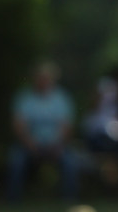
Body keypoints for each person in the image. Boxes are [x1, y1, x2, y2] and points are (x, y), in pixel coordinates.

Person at [6, 60, 78, 202]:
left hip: (56, 146)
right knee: (16, 160)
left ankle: (69, 201)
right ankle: (13, 201)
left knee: (71, 162)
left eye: (46, 77)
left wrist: (57, 145)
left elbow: (67, 127)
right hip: (29, 145)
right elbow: (19, 126)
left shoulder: (62, 99)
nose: (43, 81)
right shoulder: (24, 99)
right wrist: (30, 144)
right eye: (40, 77)